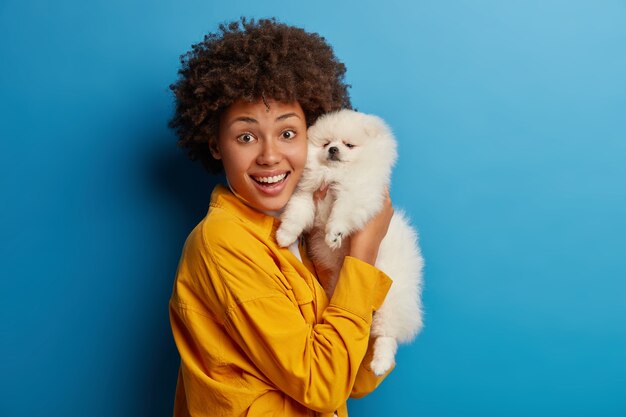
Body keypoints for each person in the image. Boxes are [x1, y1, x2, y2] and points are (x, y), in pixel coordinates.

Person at [168, 18, 395, 417]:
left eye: (288, 133)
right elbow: (323, 386)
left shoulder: (300, 237)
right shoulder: (222, 242)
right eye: (246, 136)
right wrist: (363, 256)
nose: (270, 155)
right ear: (215, 145)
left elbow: (353, 381)